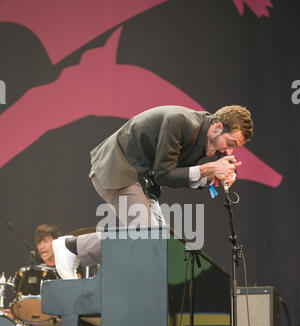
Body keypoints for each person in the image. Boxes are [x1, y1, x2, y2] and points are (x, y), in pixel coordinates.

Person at [52, 104, 253, 279]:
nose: (229, 152)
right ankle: (71, 247)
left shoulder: (202, 137)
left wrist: (212, 178)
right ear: (217, 128)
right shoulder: (182, 122)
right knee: (148, 239)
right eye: (230, 144)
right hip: (117, 168)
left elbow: (171, 174)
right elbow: (165, 174)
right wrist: (210, 168)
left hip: (141, 179)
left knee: (161, 247)